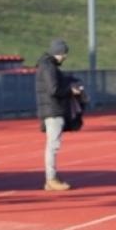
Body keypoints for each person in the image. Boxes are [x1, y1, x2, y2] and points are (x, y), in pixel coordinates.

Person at [36, 37, 84, 191]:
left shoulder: (48, 66)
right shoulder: (48, 67)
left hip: (52, 109)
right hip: (53, 110)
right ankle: (51, 179)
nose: (65, 57)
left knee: (53, 145)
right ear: (58, 52)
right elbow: (54, 89)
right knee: (53, 146)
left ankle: (51, 178)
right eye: (64, 54)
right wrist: (71, 90)